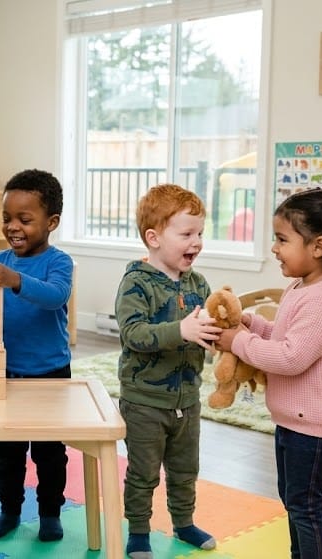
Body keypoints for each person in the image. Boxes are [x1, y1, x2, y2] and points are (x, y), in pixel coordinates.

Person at [218, 188, 322, 559]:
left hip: (316, 426)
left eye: (282, 239)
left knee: (305, 506)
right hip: (295, 421)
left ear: (318, 247)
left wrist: (238, 341)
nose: (273, 248)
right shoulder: (301, 287)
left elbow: (289, 358)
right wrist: (249, 324)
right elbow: (283, 337)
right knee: (294, 501)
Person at [114, 183, 220, 558]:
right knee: (143, 475)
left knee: (185, 470)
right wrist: (182, 330)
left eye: (200, 233)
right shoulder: (136, 283)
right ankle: (139, 531)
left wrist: (221, 331)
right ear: (154, 237)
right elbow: (133, 334)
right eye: (187, 234)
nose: (197, 242)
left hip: (187, 398)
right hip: (145, 401)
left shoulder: (198, 283)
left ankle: (184, 522)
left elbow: (206, 327)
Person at [0, 169, 74, 543]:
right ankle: (9, 510)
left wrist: (14, 280)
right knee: (8, 450)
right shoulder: (1, 259)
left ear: (51, 222)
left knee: (50, 452)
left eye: (24, 219)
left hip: (49, 372)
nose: (13, 226)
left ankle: (50, 513)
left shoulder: (58, 262)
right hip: (7, 370)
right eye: (6, 218)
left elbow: (55, 296)